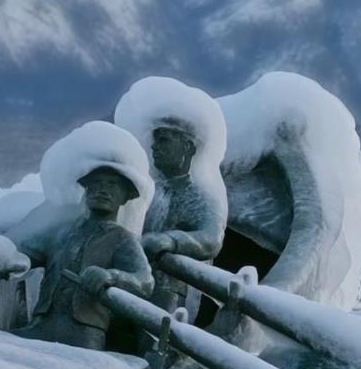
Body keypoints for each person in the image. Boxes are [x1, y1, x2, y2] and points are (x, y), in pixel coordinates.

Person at [12, 163, 154, 351]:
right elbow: (22, 254)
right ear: (86, 190)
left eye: (112, 185)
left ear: (125, 197)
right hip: (41, 325)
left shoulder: (123, 239)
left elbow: (145, 282)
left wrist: (110, 276)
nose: (102, 190)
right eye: (96, 183)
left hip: (83, 333)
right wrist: (1, 256)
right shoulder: (61, 232)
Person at [140, 122, 226, 313]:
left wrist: (170, 239)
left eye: (163, 140)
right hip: (131, 279)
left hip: (165, 288)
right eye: (155, 141)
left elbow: (211, 239)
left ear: (188, 147)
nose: (154, 146)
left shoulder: (200, 198)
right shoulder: (148, 192)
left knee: (155, 340)